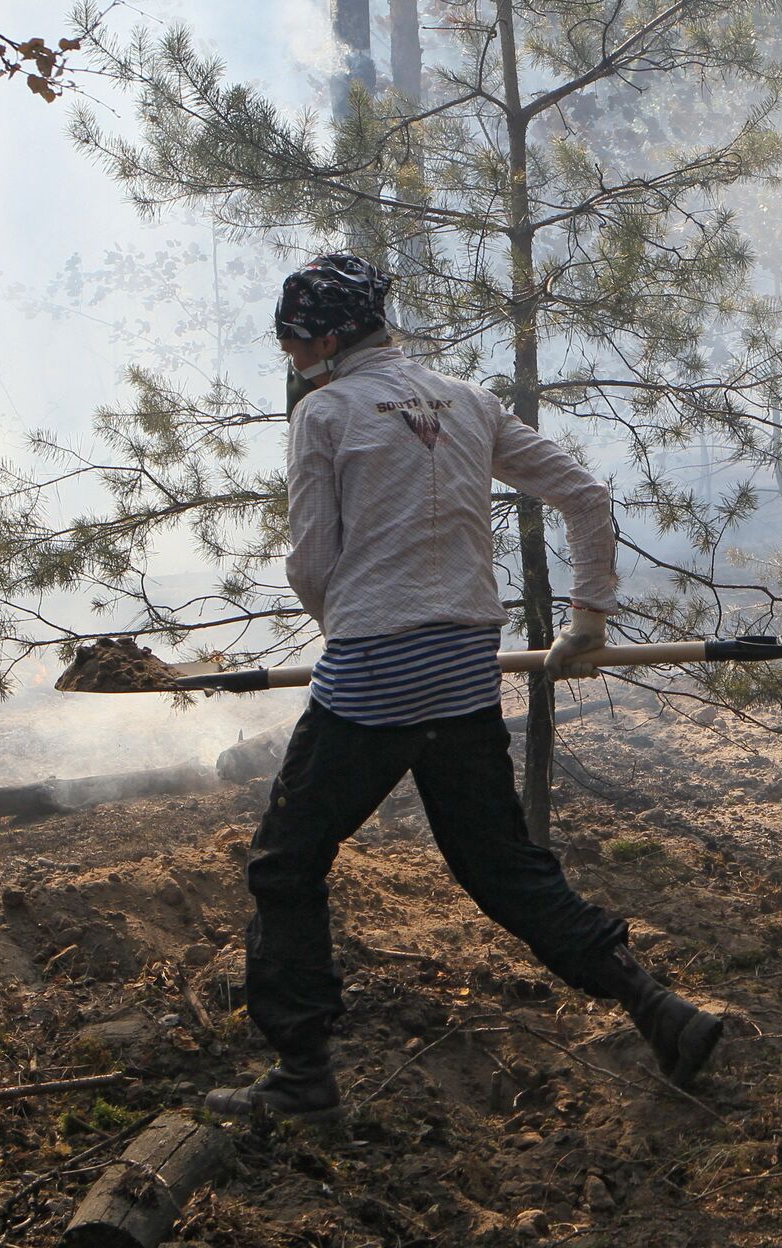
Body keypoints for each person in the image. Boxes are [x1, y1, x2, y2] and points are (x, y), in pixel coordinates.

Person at [207, 254, 722, 1122]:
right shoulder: (468, 401)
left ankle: (302, 1078)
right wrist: (590, 614)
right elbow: (585, 493)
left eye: (295, 340)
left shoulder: (325, 411)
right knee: (504, 871)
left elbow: (311, 563)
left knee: (284, 865)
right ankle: (659, 1011)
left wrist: (354, 630)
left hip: (374, 674)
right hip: (462, 670)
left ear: (329, 337)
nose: (292, 356)